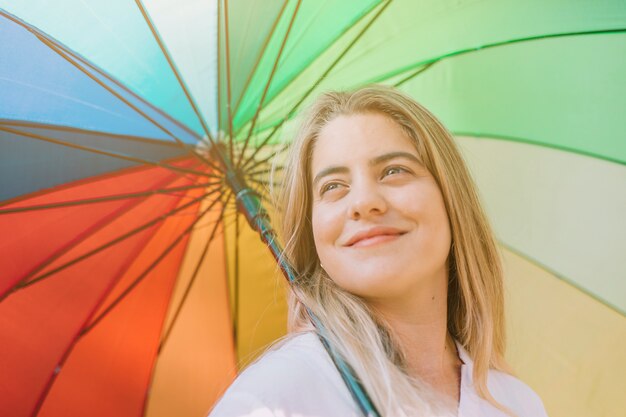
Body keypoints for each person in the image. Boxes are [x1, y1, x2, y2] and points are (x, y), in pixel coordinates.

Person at [208, 85, 549, 417]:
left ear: (451, 199)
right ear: (314, 237)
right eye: (333, 187)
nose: (364, 202)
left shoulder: (517, 403)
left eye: (393, 171)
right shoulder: (274, 398)